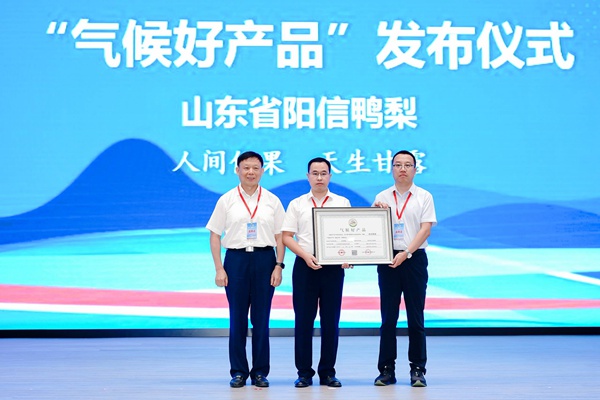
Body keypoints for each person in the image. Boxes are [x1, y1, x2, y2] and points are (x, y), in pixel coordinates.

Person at [206, 151, 286, 388]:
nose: (251, 172)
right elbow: (214, 235)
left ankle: (260, 372)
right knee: (237, 319)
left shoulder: (272, 200)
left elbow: (280, 236)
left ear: (263, 171)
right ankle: (239, 372)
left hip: (264, 260)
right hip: (236, 260)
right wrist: (219, 268)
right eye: (246, 168)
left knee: (261, 320)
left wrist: (279, 265)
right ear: (237, 170)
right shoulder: (226, 200)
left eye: (255, 168)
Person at [281, 157, 352, 388]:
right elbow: (286, 237)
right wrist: (304, 255)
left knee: (331, 321)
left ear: (330, 176)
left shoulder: (342, 202)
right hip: (305, 266)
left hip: (333, 268)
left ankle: (328, 372)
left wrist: (349, 256)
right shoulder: (297, 204)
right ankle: (304, 373)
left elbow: (351, 236)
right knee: (303, 321)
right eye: (315, 173)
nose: (319, 177)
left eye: (323, 173)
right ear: (308, 176)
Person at [372, 150, 437, 388]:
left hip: (414, 259)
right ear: (391, 169)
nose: (402, 169)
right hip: (388, 260)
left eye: (407, 165)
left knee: (415, 317)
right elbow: (372, 230)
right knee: (388, 318)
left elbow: (425, 230)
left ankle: (418, 369)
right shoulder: (382, 196)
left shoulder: (424, 196)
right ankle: (386, 370)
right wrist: (375, 211)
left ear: (415, 170)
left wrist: (407, 253)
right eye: (398, 164)